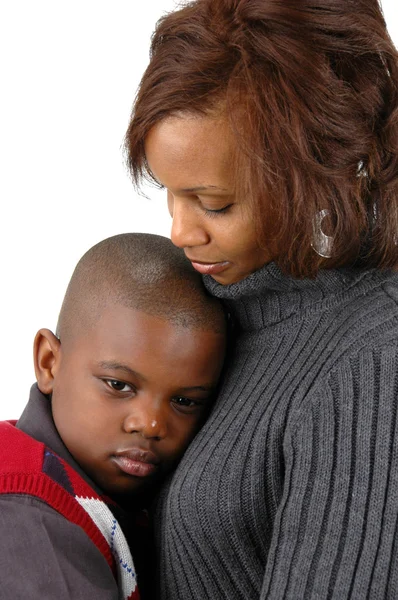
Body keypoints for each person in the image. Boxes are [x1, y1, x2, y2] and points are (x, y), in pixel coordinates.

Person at [125, 0, 398, 598]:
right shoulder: (201, 309)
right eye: (168, 193)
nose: (180, 232)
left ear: (319, 169)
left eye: (215, 204)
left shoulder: (371, 363)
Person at [0, 233, 226, 600]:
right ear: (48, 363)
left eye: (184, 401)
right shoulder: (26, 519)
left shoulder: (104, 500)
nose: (150, 424)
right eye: (118, 386)